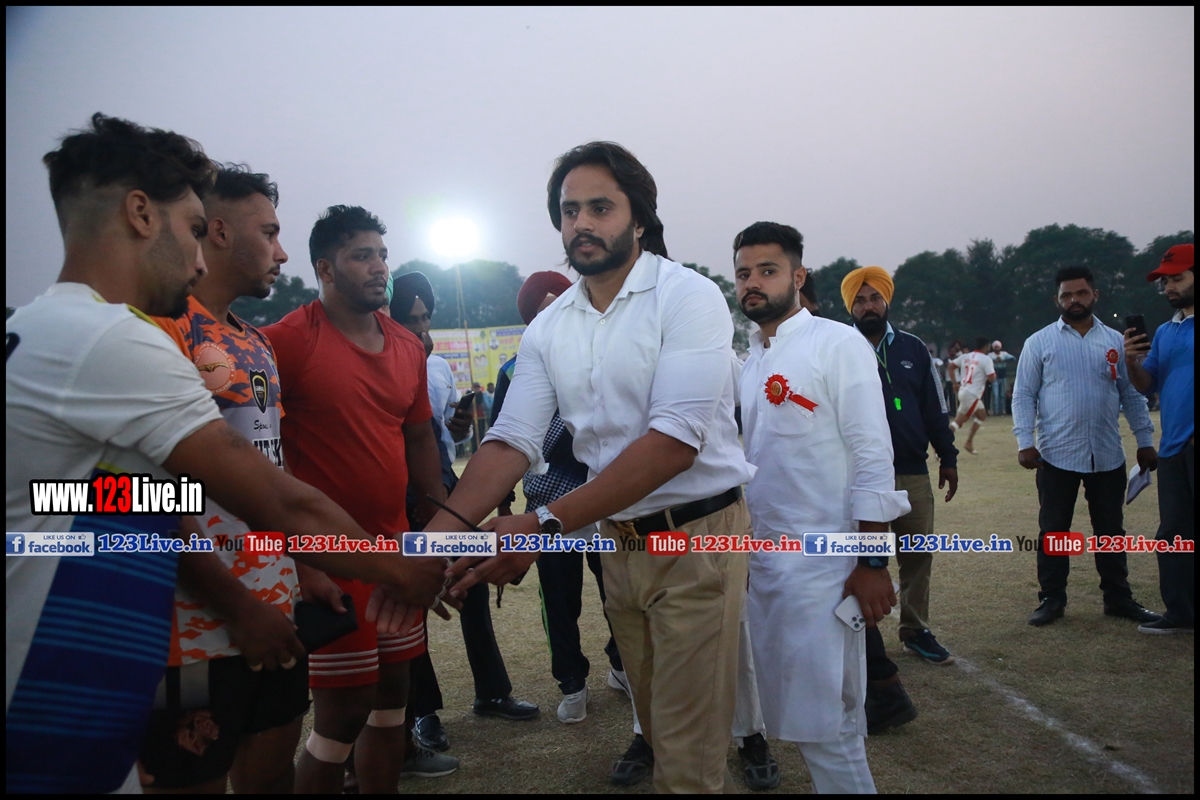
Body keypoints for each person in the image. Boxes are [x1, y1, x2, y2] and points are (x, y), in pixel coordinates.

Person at [5, 115, 444, 795]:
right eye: (191, 228)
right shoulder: (111, 338)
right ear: (140, 214)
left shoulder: (42, 327)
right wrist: (396, 567)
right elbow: (272, 497)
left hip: (102, 652)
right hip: (69, 674)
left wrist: (295, 565)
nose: (199, 255)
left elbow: (117, 498)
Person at [425, 141, 756, 793]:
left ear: (639, 218)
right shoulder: (550, 326)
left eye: (600, 208)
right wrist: (436, 546)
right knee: (657, 732)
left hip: (697, 539)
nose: (580, 223)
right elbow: (509, 442)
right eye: (569, 210)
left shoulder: (688, 297)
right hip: (617, 546)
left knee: (687, 762)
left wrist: (542, 524)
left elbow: (674, 442)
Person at [139, 164, 322, 793]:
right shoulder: (162, 331)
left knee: (271, 773)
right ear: (217, 232)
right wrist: (237, 606)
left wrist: (304, 567)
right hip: (193, 626)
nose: (282, 252)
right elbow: (148, 497)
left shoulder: (255, 342)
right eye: (269, 233)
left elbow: (272, 466)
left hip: (275, 607)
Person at [263, 206, 450, 793]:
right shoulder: (286, 342)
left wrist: (436, 531)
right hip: (332, 560)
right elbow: (262, 452)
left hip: (395, 551)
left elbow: (420, 438)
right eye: (361, 255)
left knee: (393, 702)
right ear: (325, 268)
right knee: (340, 717)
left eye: (382, 254)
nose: (379, 267)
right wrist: (303, 559)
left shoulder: (407, 345)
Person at [735, 222, 911, 793]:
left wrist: (873, 562)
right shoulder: (751, 361)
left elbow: (872, 455)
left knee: (827, 728)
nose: (753, 283)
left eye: (768, 270)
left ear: (798, 276)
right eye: (744, 273)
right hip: (766, 566)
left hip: (826, 567)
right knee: (798, 716)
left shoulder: (837, 343)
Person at [388, 272, 538, 766]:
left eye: (426, 317)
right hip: (400, 497)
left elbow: (442, 434)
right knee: (415, 600)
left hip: (445, 491)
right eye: (411, 319)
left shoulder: (436, 368)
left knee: (470, 585)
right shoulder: (380, 362)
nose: (422, 328)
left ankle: (491, 691)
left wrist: (456, 425)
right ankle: (424, 713)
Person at [490, 270, 624, 728]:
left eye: (561, 305)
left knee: (618, 591)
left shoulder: (603, 358)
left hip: (605, 500)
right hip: (546, 508)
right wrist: (504, 504)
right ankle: (571, 682)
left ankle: (622, 664)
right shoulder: (515, 370)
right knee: (559, 602)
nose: (555, 317)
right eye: (543, 310)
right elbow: (503, 438)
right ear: (531, 320)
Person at [1012, 265, 1160, 627]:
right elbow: (1023, 395)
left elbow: (1132, 395)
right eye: (1066, 295)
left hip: (1106, 453)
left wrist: (1144, 440)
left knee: (1111, 531)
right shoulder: (1039, 342)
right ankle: (1051, 599)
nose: (1074, 300)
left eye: (1080, 293)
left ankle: (1118, 598)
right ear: (1057, 299)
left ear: (1095, 295)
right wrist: (1025, 442)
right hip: (1055, 454)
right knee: (1054, 531)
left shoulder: (1116, 341)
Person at [844, 265, 960, 669]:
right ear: (850, 307)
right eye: (860, 300)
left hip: (911, 470)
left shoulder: (914, 348)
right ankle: (862, 638)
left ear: (886, 300)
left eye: (875, 298)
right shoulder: (841, 348)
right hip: (859, 475)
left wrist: (948, 457)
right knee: (860, 557)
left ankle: (915, 629)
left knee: (917, 553)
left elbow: (935, 407)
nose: (868, 306)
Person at [1124, 243, 1195, 634]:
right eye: (1165, 281)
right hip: (1173, 449)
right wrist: (1131, 361)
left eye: (1178, 278)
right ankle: (1180, 613)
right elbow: (1145, 385)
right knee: (1173, 535)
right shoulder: (1167, 331)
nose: (1169, 287)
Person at [949, 337, 996, 454]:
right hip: (972, 394)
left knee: (981, 415)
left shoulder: (966, 356)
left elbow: (951, 366)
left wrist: (955, 383)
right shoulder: (986, 359)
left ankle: (969, 442)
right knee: (958, 422)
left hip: (965, 391)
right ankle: (939, 445)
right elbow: (992, 378)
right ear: (986, 346)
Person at [989, 340, 1016, 416]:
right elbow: (986, 360)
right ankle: (996, 411)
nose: (997, 348)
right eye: (995, 347)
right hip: (995, 377)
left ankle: (1002, 411)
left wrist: (1003, 360)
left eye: (998, 347)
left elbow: (1013, 358)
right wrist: (994, 361)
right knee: (996, 395)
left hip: (1003, 376)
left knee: (1002, 395)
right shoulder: (990, 355)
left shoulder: (1004, 354)